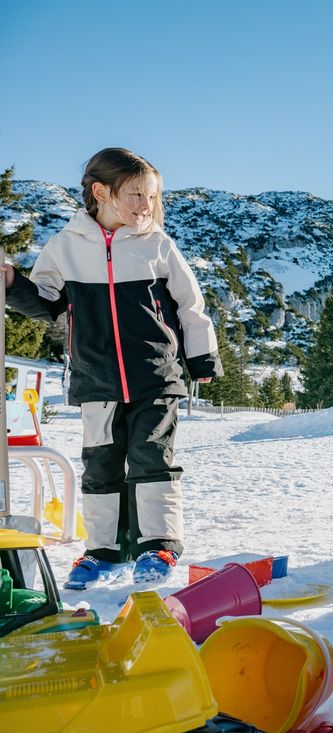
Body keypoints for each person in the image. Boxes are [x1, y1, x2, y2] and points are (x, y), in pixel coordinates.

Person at [3, 148, 222, 588]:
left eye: (152, 196)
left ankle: (157, 543)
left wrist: (201, 357)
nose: (146, 206)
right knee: (101, 465)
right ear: (101, 192)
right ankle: (103, 550)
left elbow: (189, 304)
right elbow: (47, 302)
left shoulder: (158, 245)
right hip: (96, 379)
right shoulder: (65, 247)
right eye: (137, 195)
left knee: (150, 459)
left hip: (155, 377)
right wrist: (11, 284)